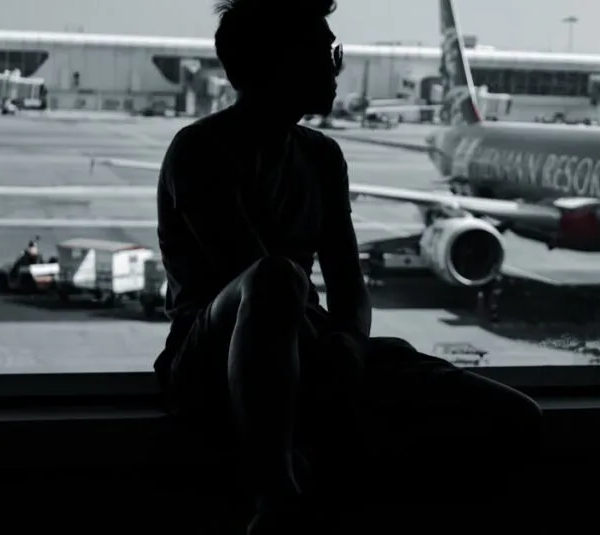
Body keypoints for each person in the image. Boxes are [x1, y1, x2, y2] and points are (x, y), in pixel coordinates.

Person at [153, 0, 542, 532]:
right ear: (278, 63)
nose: (338, 68)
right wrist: (339, 353)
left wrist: (350, 344)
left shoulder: (321, 155)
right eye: (327, 51)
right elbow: (247, 277)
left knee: (517, 417)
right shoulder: (200, 150)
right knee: (275, 278)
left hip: (312, 342)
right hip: (211, 356)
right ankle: (276, 495)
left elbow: (347, 284)